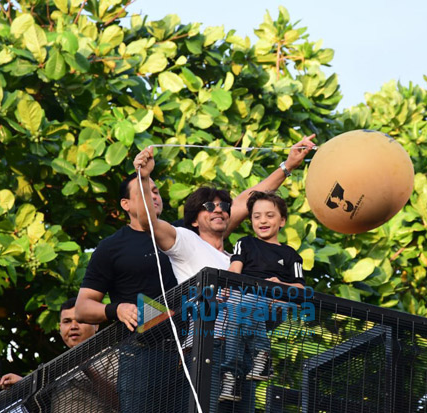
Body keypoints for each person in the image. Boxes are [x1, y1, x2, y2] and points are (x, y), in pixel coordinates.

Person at [132, 135, 314, 410]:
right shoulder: (185, 240)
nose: (218, 209)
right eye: (208, 207)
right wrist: (145, 179)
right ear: (195, 219)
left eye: (223, 206)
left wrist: (288, 165)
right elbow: (148, 221)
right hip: (209, 345)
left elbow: (249, 200)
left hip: (245, 349)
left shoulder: (238, 258)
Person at [74, 173, 177, 413]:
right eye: (144, 191)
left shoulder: (178, 235)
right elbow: (82, 307)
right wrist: (117, 309)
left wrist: (285, 167)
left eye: (156, 191)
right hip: (140, 356)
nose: (153, 195)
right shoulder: (111, 247)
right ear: (125, 204)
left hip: (188, 354)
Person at [221, 190, 305, 394]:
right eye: (256, 216)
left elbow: (301, 289)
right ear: (251, 221)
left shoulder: (290, 254)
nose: (263, 221)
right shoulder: (245, 243)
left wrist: (279, 286)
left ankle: (258, 356)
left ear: (282, 220)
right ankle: (233, 376)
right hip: (246, 305)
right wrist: (226, 287)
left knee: (245, 301)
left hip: (275, 306)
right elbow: (235, 272)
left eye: (270, 215)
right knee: (237, 308)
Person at [50, 298, 118, 413]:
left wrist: (87, 368)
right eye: (67, 321)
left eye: (80, 321)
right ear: (59, 327)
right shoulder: (58, 368)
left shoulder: (112, 356)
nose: (73, 326)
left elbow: (124, 401)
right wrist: (24, 384)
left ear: (96, 325)